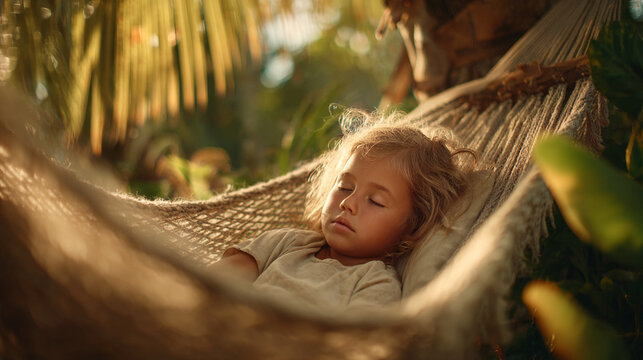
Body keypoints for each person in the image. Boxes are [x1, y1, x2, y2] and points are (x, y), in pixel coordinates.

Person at [213, 111, 475, 308]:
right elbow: (212, 287)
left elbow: (353, 345)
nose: (347, 203)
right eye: (345, 187)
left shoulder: (375, 284)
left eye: (375, 201)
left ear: (412, 225)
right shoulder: (285, 243)